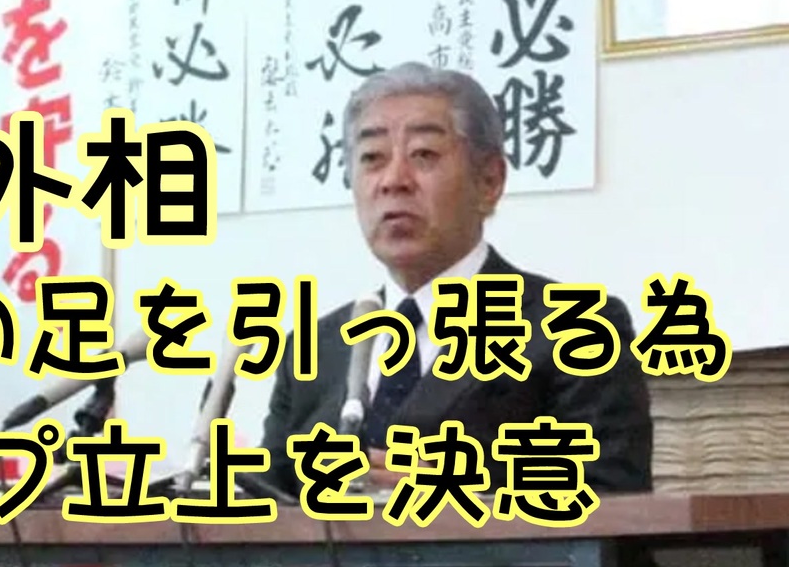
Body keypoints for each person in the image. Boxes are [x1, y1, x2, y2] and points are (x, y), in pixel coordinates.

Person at [259, 62, 652, 498]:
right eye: (371, 158)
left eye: (424, 155)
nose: (393, 181)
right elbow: (268, 503)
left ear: (489, 181)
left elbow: (616, 502)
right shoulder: (314, 349)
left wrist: (455, 492)